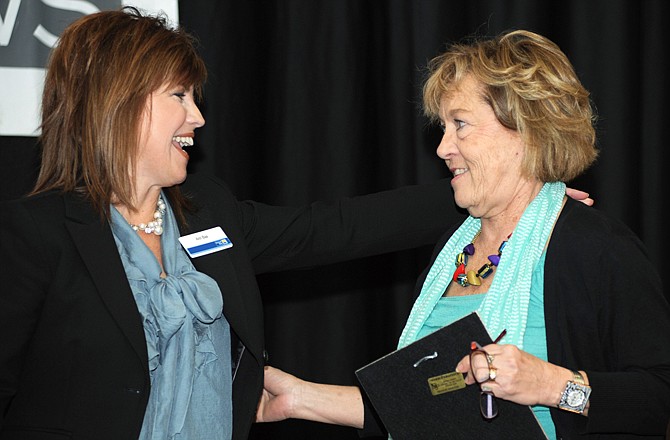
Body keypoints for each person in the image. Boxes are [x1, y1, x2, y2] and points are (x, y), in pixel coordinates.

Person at [0, 10, 593, 439]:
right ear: (118, 103)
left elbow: (333, 228)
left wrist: (508, 188)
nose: (197, 117)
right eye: (178, 95)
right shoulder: (36, 236)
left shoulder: (207, 210)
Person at [256, 30, 670, 439]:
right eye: (443, 126)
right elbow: (425, 404)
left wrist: (551, 385)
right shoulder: (451, 254)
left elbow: (658, 397)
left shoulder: (596, 247)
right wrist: (299, 398)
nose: (442, 147)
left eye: (460, 125)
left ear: (525, 131)